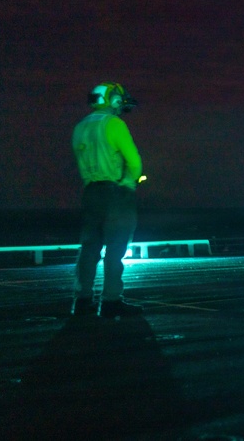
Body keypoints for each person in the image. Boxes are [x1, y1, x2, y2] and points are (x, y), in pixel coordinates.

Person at [71, 82, 143, 318]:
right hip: (115, 194)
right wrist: (128, 184)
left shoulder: (80, 127)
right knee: (115, 248)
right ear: (112, 100)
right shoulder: (114, 124)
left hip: (90, 193)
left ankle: (82, 299)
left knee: (89, 247)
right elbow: (134, 161)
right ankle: (111, 300)